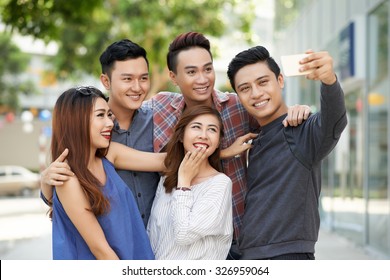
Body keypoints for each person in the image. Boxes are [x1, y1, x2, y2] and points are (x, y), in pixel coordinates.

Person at [144, 31, 312, 259]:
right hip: (174, 245)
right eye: (191, 72)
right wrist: (223, 153)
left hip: (236, 237)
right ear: (173, 77)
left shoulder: (237, 106)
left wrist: (296, 109)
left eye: (208, 69)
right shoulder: (160, 106)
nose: (202, 79)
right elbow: (114, 115)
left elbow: (275, 121)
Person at [226, 46, 347, 260]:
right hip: (249, 256)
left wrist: (329, 80)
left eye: (263, 82)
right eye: (245, 88)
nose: (256, 93)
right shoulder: (255, 138)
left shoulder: (301, 130)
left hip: (286, 255)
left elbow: (334, 121)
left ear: (280, 81)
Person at [41, 39, 160, 227]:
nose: (137, 87)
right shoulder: (87, 129)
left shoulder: (158, 121)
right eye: (127, 79)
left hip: (157, 242)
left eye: (143, 78)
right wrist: (45, 182)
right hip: (110, 242)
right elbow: (60, 192)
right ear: (106, 80)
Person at [50, 86, 168, 260]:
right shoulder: (68, 179)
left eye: (108, 114)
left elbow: (164, 162)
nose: (110, 123)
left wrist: (215, 148)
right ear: (75, 121)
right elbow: (101, 250)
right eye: (100, 115)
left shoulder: (109, 155)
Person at [147, 105, 233, 259]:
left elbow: (184, 234)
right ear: (181, 136)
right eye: (196, 127)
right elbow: (152, 235)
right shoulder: (167, 180)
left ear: (219, 141)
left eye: (212, 129)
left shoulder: (220, 184)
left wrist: (184, 184)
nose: (204, 135)